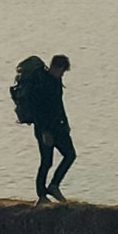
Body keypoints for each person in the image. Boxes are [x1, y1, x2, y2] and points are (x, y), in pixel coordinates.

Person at [11, 54, 75, 202]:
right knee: (46, 161)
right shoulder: (41, 83)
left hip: (58, 127)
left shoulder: (56, 81)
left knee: (70, 155)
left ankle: (53, 186)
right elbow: (37, 110)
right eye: (62, 70)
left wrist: (65, 123)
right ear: (55, 67)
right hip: (44, 129)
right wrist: (45, 132)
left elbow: (59, 104)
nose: (62, 74)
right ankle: (41, 195)